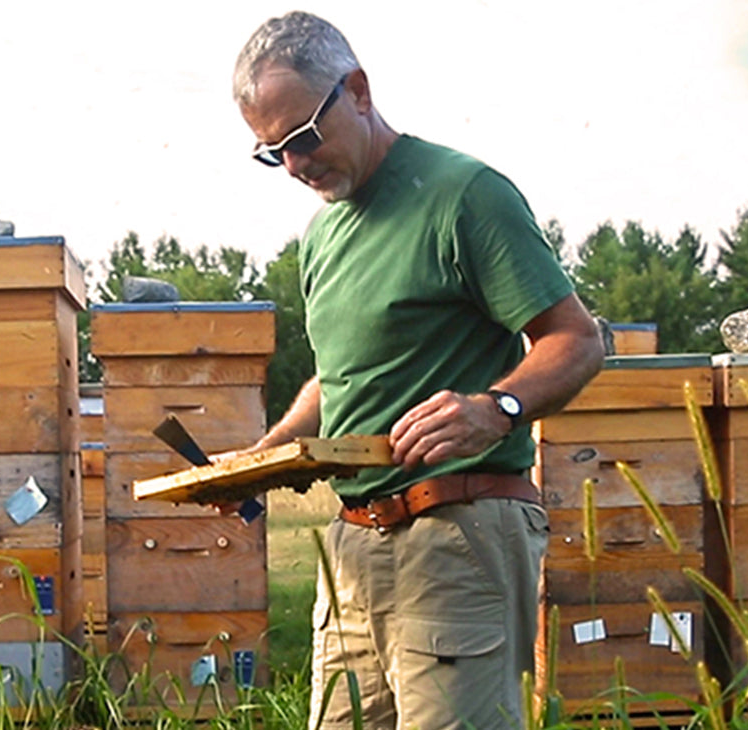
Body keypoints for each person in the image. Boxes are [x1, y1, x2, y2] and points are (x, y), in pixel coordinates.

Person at [226, 11, 606, 730]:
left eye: (304, 138)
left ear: (359, 91)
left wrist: (497, 409)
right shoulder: (321, 236)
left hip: (458, 530)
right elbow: (338, 378)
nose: (297, 166)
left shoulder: (465, 194)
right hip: (352, 546)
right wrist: (266, 455)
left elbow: (576, 340)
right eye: (273, 153)